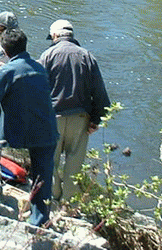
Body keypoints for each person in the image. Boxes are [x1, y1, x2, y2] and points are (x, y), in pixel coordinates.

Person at [0, 29, 58, 227]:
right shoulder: (39, 68)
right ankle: (40, 221)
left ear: (5, 51)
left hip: (19, 131)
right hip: (47, 128)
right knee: (43, 175)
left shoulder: (6, 71)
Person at [39, 19, 111, 202]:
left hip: (52, 117)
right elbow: (100, 92)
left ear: (55, 35)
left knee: (50, 161)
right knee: (74, 164)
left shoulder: (47, 55)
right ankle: (69, 202)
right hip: (80, 118)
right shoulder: (87, 56)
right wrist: (96, 119)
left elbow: (37, 87)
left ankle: (53, 197)